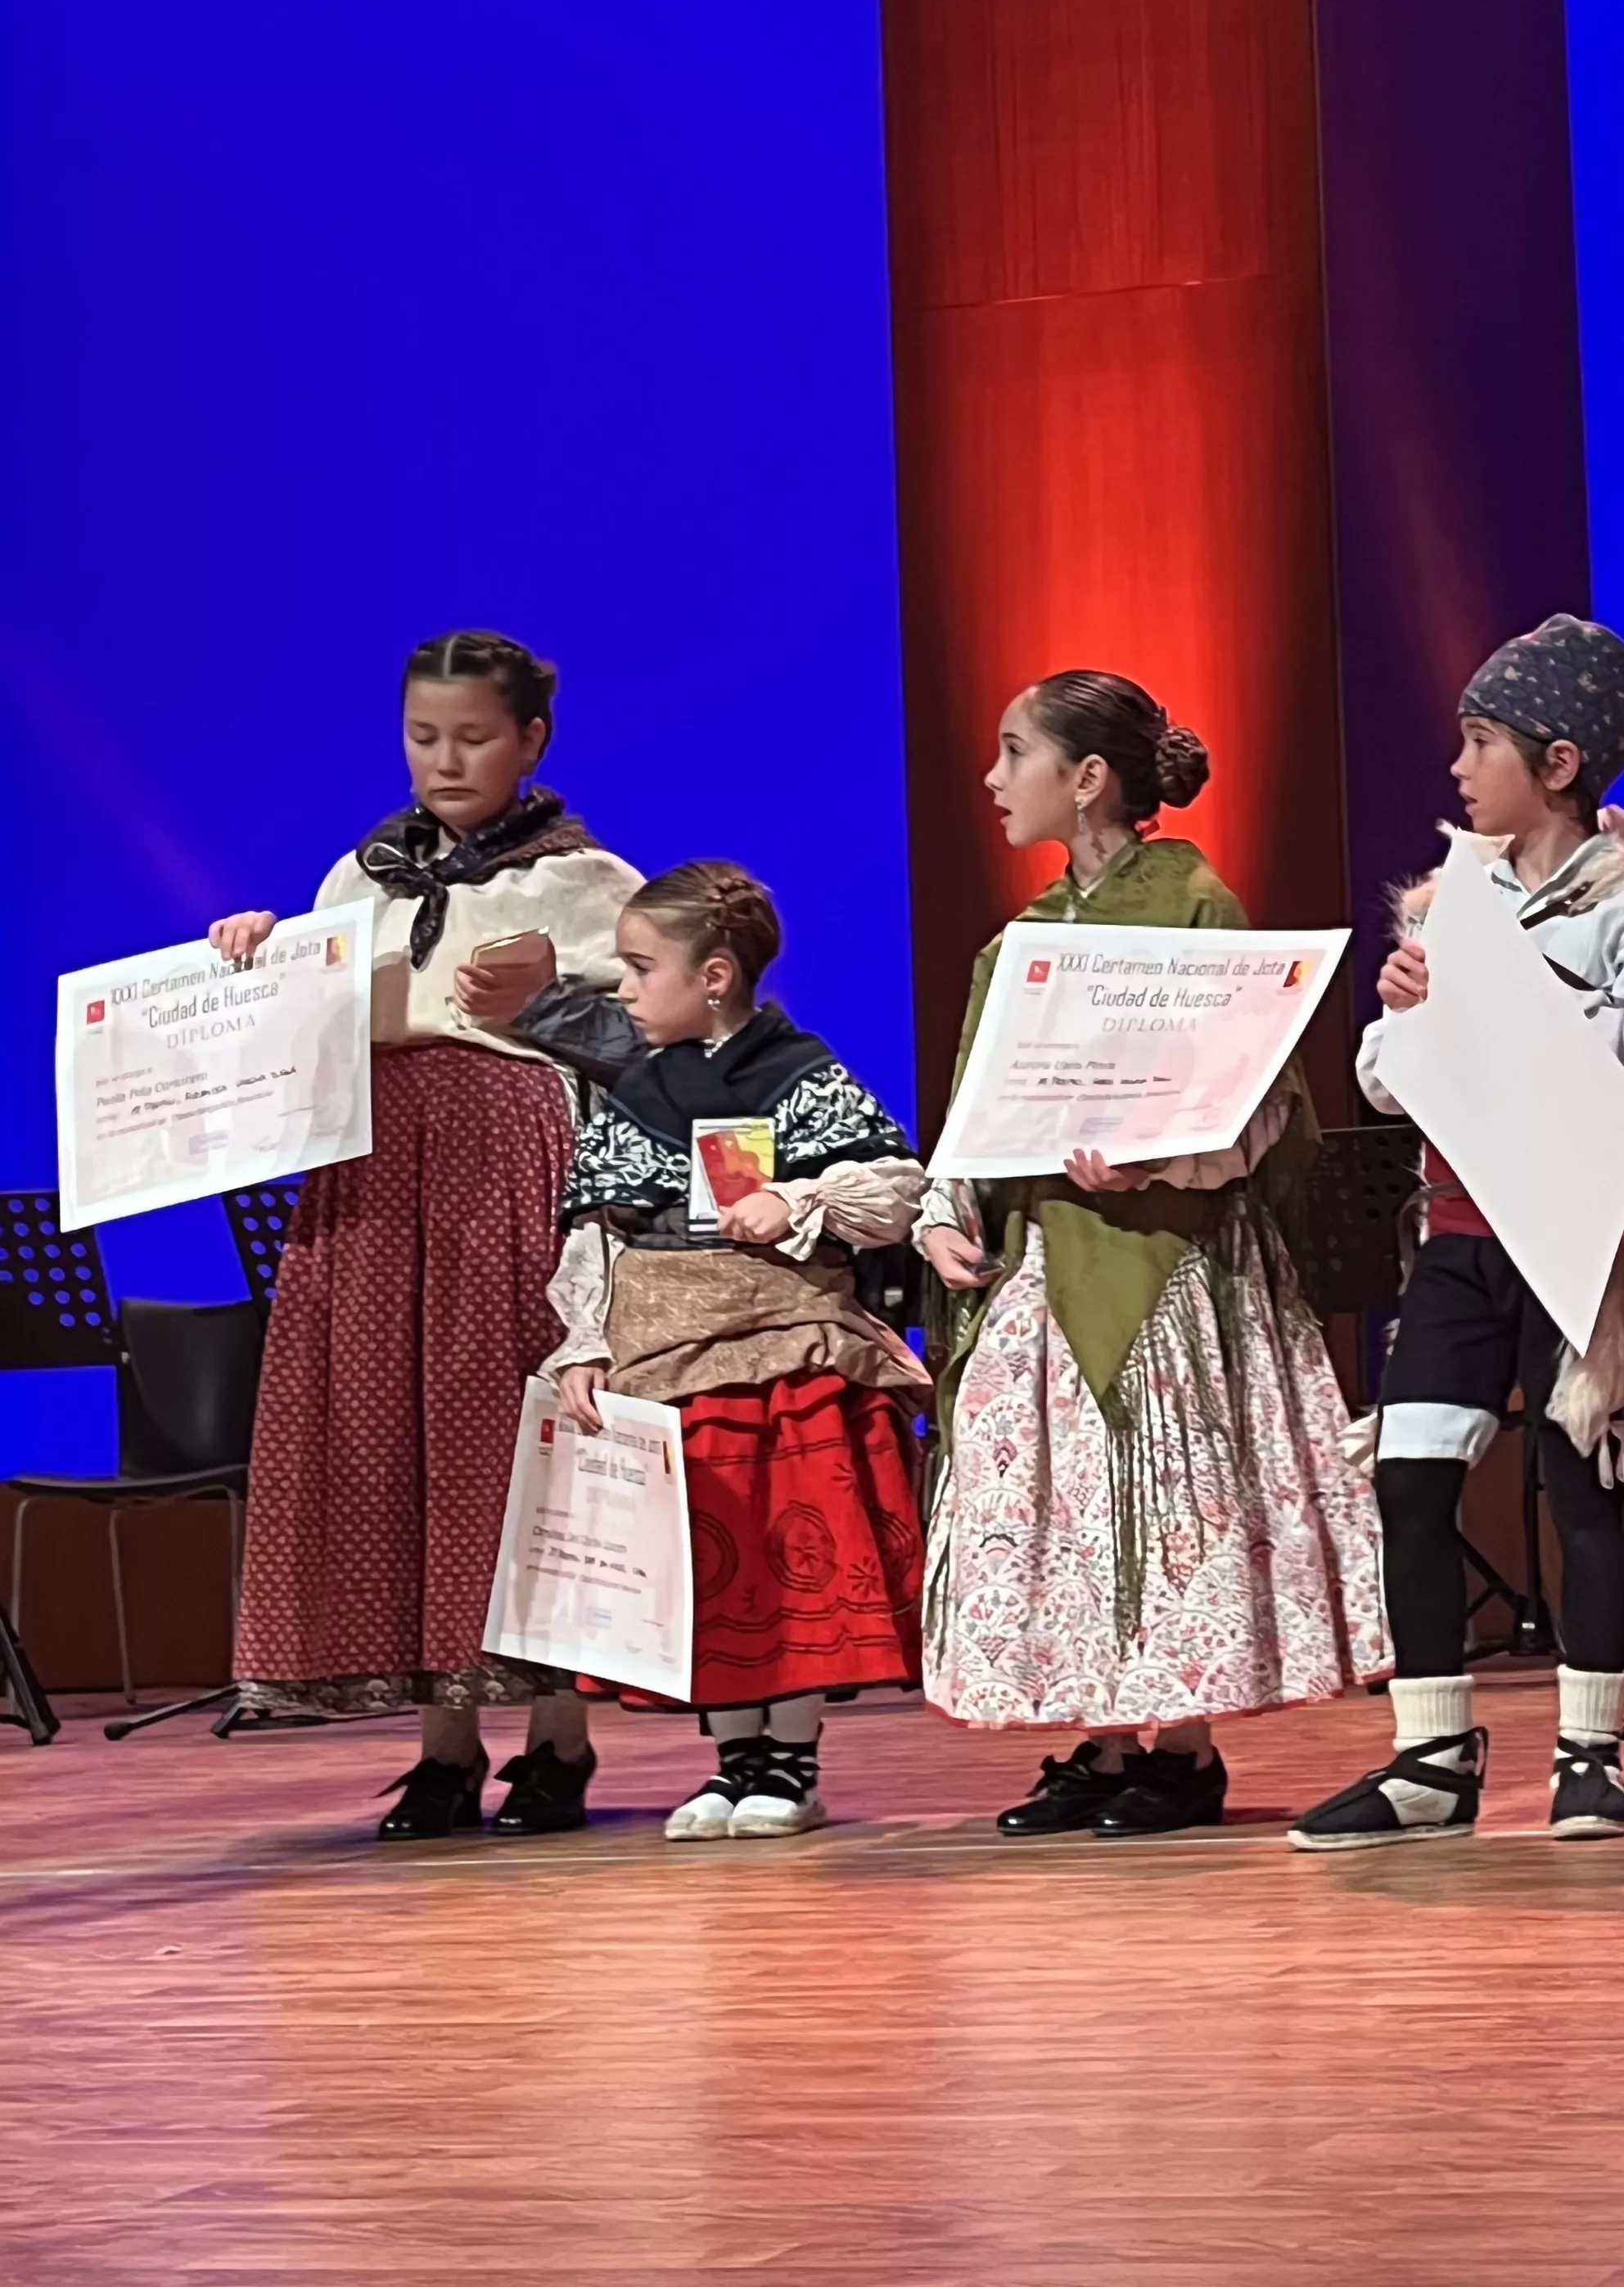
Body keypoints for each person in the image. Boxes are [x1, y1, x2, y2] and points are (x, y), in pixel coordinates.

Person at [918, 671, 1387, 1838]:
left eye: (1012, 752)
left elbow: (1261, 1099)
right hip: (1048, 1254)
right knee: (1065, 1497)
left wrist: (1167, 1162)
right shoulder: (1020, 940)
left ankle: (1179, 1748)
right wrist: (943, 1209)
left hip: (1167, 1252)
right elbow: (981, 1104)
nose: (990, 778)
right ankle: (1096, 1733)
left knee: (1163, 1483)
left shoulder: (1193, 906)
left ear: (1087, 781)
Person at [210, 629, 646, 1838]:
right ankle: (443, 1745)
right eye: (422, 736)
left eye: (471, 737)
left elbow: (658, 1047)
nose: (444, 760)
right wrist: (253, 960)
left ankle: (558, 1736)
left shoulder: (583, 882)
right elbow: (302, 1027)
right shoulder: (359, 878)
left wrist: (552, 1002)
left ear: (530, 742)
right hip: (370, 1173)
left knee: (502, 1435)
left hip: (508, 1160)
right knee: (390, 1432)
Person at [1288, 612, 1624, 1852]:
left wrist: (1528, 1007)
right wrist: (1409, 1011)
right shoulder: (1446, 902)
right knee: (1409, 1483)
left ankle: (1588, 1749)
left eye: (1483, 744)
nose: (1460, 771)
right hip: (1458, 1238)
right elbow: (1376, 1079)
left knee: (1580, 1489)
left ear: (1560, 763)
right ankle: (1431, 1758)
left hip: (1568, 1239)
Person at [541, 860, 931, 1841]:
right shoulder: (637, 1089)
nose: (622, 991)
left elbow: (892, 1186)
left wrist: (797, 1199)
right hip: (665, 1345)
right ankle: (734, 1762)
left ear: (713, 975)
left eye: (639, 969)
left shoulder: (800, 1074)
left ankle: (790, 1764)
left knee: (783, 1553)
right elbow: (597, 1229)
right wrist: (584, 1344)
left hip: (779, 1342)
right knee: (702, 1562)